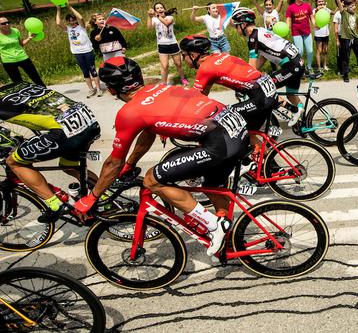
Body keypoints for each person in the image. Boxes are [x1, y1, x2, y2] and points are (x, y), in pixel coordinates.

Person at [76, 57, 248, 256]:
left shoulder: (129, 112)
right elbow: (148, 132)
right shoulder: (160, 87)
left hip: (219, 142)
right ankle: (228, 236)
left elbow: (114, 163)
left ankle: (213, 225)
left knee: (152, 180)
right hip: (236, 129)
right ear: (139, 77)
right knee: (213, 185)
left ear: (112, 89)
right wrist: (131, 163)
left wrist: (92, 197)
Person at [1, 82, 100, 221]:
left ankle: (56, 205)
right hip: (87, 120)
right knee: (69, 165)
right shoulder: (20, 84)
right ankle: (104, 198)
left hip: (65, 131)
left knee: (13, 162)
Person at [179, 35, 277, 144]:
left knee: (222, 120)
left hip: (260, 98)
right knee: (247, 133)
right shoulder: (219, 56)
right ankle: (267, 158)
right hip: (268, 92)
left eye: (184, 55)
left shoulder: (205, 68)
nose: (183, 59)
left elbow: (196, 99)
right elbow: (203, 94)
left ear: (193, 55)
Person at [230, 7, 305, 126]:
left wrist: (245, 80)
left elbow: (252, 65)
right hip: (297, 62)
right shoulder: (260, 31)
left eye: (236, 26)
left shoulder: (253, 38)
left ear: (243, 24)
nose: (236, 29)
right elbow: (263, 57)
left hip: (291, 66)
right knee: (291, 95)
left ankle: (295, 110)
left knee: (264, 88)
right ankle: (304, 121)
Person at [56, 4, 103, 97]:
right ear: (67, 22)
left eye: (73, 20)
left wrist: (69, 7)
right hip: (77, 53)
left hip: (88, 52)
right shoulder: (68, 29)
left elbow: (80, 17)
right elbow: (58, 23)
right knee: (85, 72)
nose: (72, 22)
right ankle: (91, 89)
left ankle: (98, 89)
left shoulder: (82, 27)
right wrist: (58, 9)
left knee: (92, 70)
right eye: (70, 21)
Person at [334, 0, 358, 83]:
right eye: (351, 6)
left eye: (354, 5)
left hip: (355, 38)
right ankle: (346, 73)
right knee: (346, 57)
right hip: (346, 39)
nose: (354, 7)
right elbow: (339, 2)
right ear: (346, 6)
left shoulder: (355, 15)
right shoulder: (343, 13)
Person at [147, 2, 187, 86]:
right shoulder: (154, 19)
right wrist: (150, 17)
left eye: (161, 7)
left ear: (164, 9)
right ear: (155, 10)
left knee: (178, 64)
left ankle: (183, 79)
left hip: (172, 43)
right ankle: (164, 83)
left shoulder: (170, 17)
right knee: (164, 66)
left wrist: (156, 15)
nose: (159, 9)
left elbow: (167, 23)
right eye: (157, 8)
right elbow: (149, 28)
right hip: (162, 45)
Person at [0, 17, 44, 86]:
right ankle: (23, 96)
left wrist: (29, 38)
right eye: (4, 23)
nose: (7, 24)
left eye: (8, 22)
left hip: (23, 57)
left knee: (35, 77)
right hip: (8, 61)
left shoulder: (15, 31)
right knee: (18, 83)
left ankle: (45, 92)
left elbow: (21, 44)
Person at [285, 0, 315, 76]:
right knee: (300, 52)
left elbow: (312, 17)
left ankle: (309, 68)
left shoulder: (307, 6)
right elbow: (288, 20)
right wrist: (287, 28)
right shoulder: (290, 8)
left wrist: (315, 24)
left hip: (307, 32)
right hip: (296, 33)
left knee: (310, 51)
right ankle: (301, 69)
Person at [312, 0, 331, 73]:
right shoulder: (314, 10)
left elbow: (334, 12)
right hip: (318, 34)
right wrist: (317, 10)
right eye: (319, 1)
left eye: (322, 1)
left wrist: (339, 5)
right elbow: (312, 17)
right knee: (319, 50)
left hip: (326, 33)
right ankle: (319, 67)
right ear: (316, 3)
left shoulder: (326, 9)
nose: (321, 3)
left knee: (325, 50)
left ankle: (324, 66)